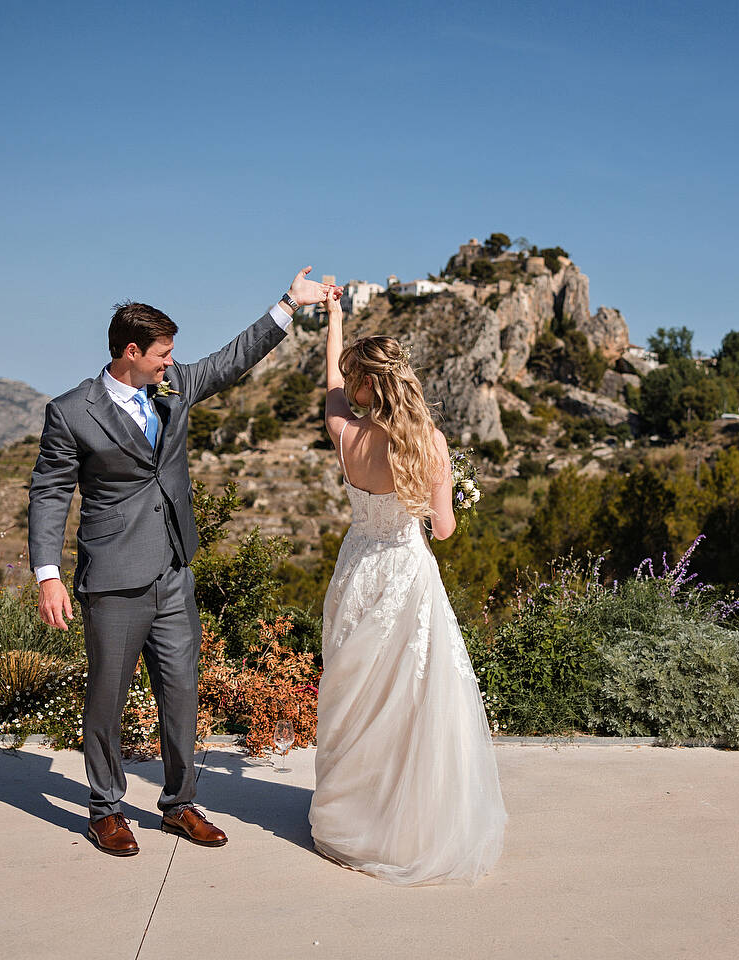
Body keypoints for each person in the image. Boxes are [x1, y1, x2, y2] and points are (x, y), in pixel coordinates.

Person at [28, 267, 337, 857]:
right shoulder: (70, 412)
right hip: (113, 578)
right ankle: (105, 808)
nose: (173, 363)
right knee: (108, 697)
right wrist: (48, 574)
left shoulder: (172, 390)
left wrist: (288, 305)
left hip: (174, 572)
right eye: (163, 355)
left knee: (180, 691)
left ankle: (179, 804)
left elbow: (232, 359)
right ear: (131, 352)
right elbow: (49, 492)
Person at [308, 286, 507, 885]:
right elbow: (442, 531)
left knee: (356, 695)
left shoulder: (346, 436)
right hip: (406, 572)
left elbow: (331, 391)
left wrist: (334, 319)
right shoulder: (429, 445)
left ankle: (351, 814)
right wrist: (443, 499)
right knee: (410, 699)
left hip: (358, 569)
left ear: (365, 386)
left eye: (354, 379)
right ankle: (405, 822)